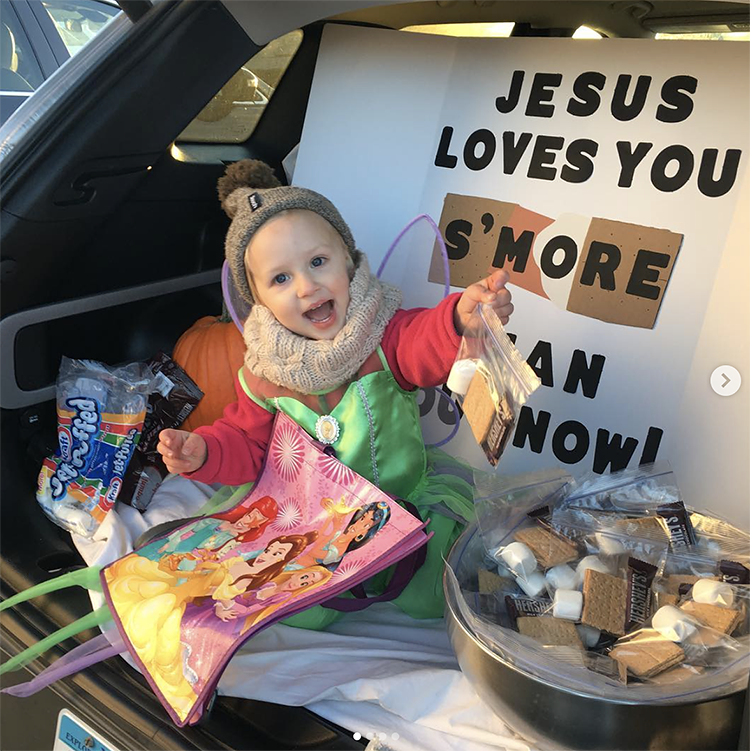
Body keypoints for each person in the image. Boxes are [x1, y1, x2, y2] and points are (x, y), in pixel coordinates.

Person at [157, 159, 514, 629]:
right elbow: (248, 446)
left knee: (431, 596)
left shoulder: (381, 334)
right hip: (314, 520)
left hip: (399, 501)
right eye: (280, 279)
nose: (307, 286)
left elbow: (422, 343)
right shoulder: (264, 373)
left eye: (318, 262)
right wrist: (205, 450)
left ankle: (401, 566)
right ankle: (336, 579)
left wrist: (457, 321)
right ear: (258, 300)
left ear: (347, 260)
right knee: (304, 615)